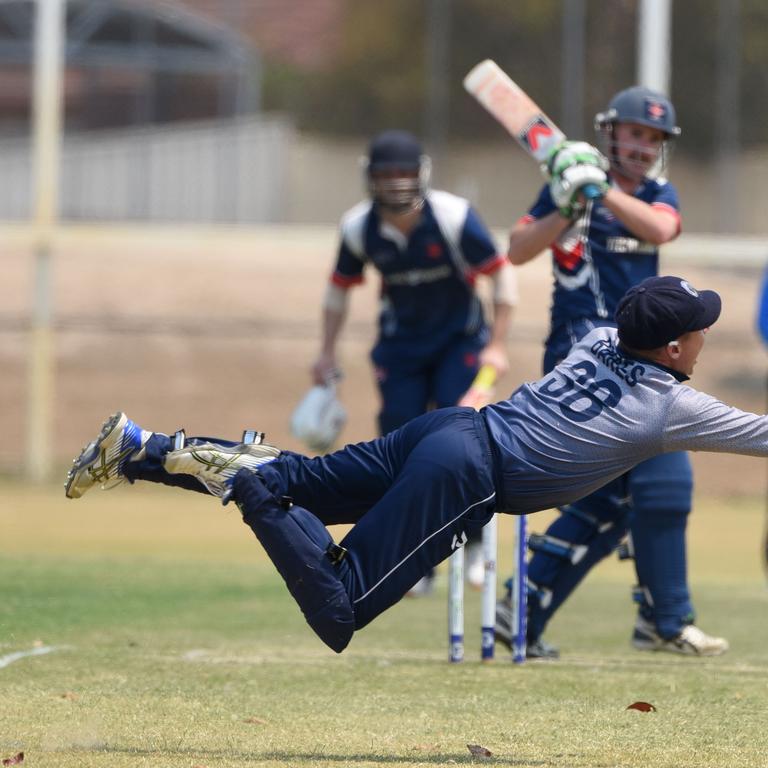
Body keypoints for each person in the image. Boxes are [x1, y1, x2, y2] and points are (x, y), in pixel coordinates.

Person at [66, 276, 765, 655]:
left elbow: (587, 299)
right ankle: (250, 483)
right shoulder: (670, 406)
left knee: (297, 480)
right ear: (672, 348)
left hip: (448, 428)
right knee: (339, 608)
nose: (705, 334)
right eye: (698, 327)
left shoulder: (601, 336)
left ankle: (140, 448)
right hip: (468, 475)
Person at [494, 86, 727, 659]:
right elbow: (519, 249)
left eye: (654, 139)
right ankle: (664, 619)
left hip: (644, 355)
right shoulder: (565, 187)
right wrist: (568, 203)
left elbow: (661, 228)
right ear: (612, 133)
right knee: (664, 479)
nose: (644, 147)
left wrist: (597, 190)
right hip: (581, 355)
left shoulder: (654, 193)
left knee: (608, 498)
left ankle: (521, 608)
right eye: (636, 134)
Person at [311, 129, 517, 593]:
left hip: (458, 341)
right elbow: (337, 291)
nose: (396, 183)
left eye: (404, 173)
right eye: (386, 175)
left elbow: (501, 279)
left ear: (421, 174)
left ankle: (478, 544)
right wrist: (325, 352)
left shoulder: (453, 216)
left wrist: (497, 345)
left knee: (460, 442)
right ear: (370, 178)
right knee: (400, 447)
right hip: (399, 347)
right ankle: (417, 561)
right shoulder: (358, 226)